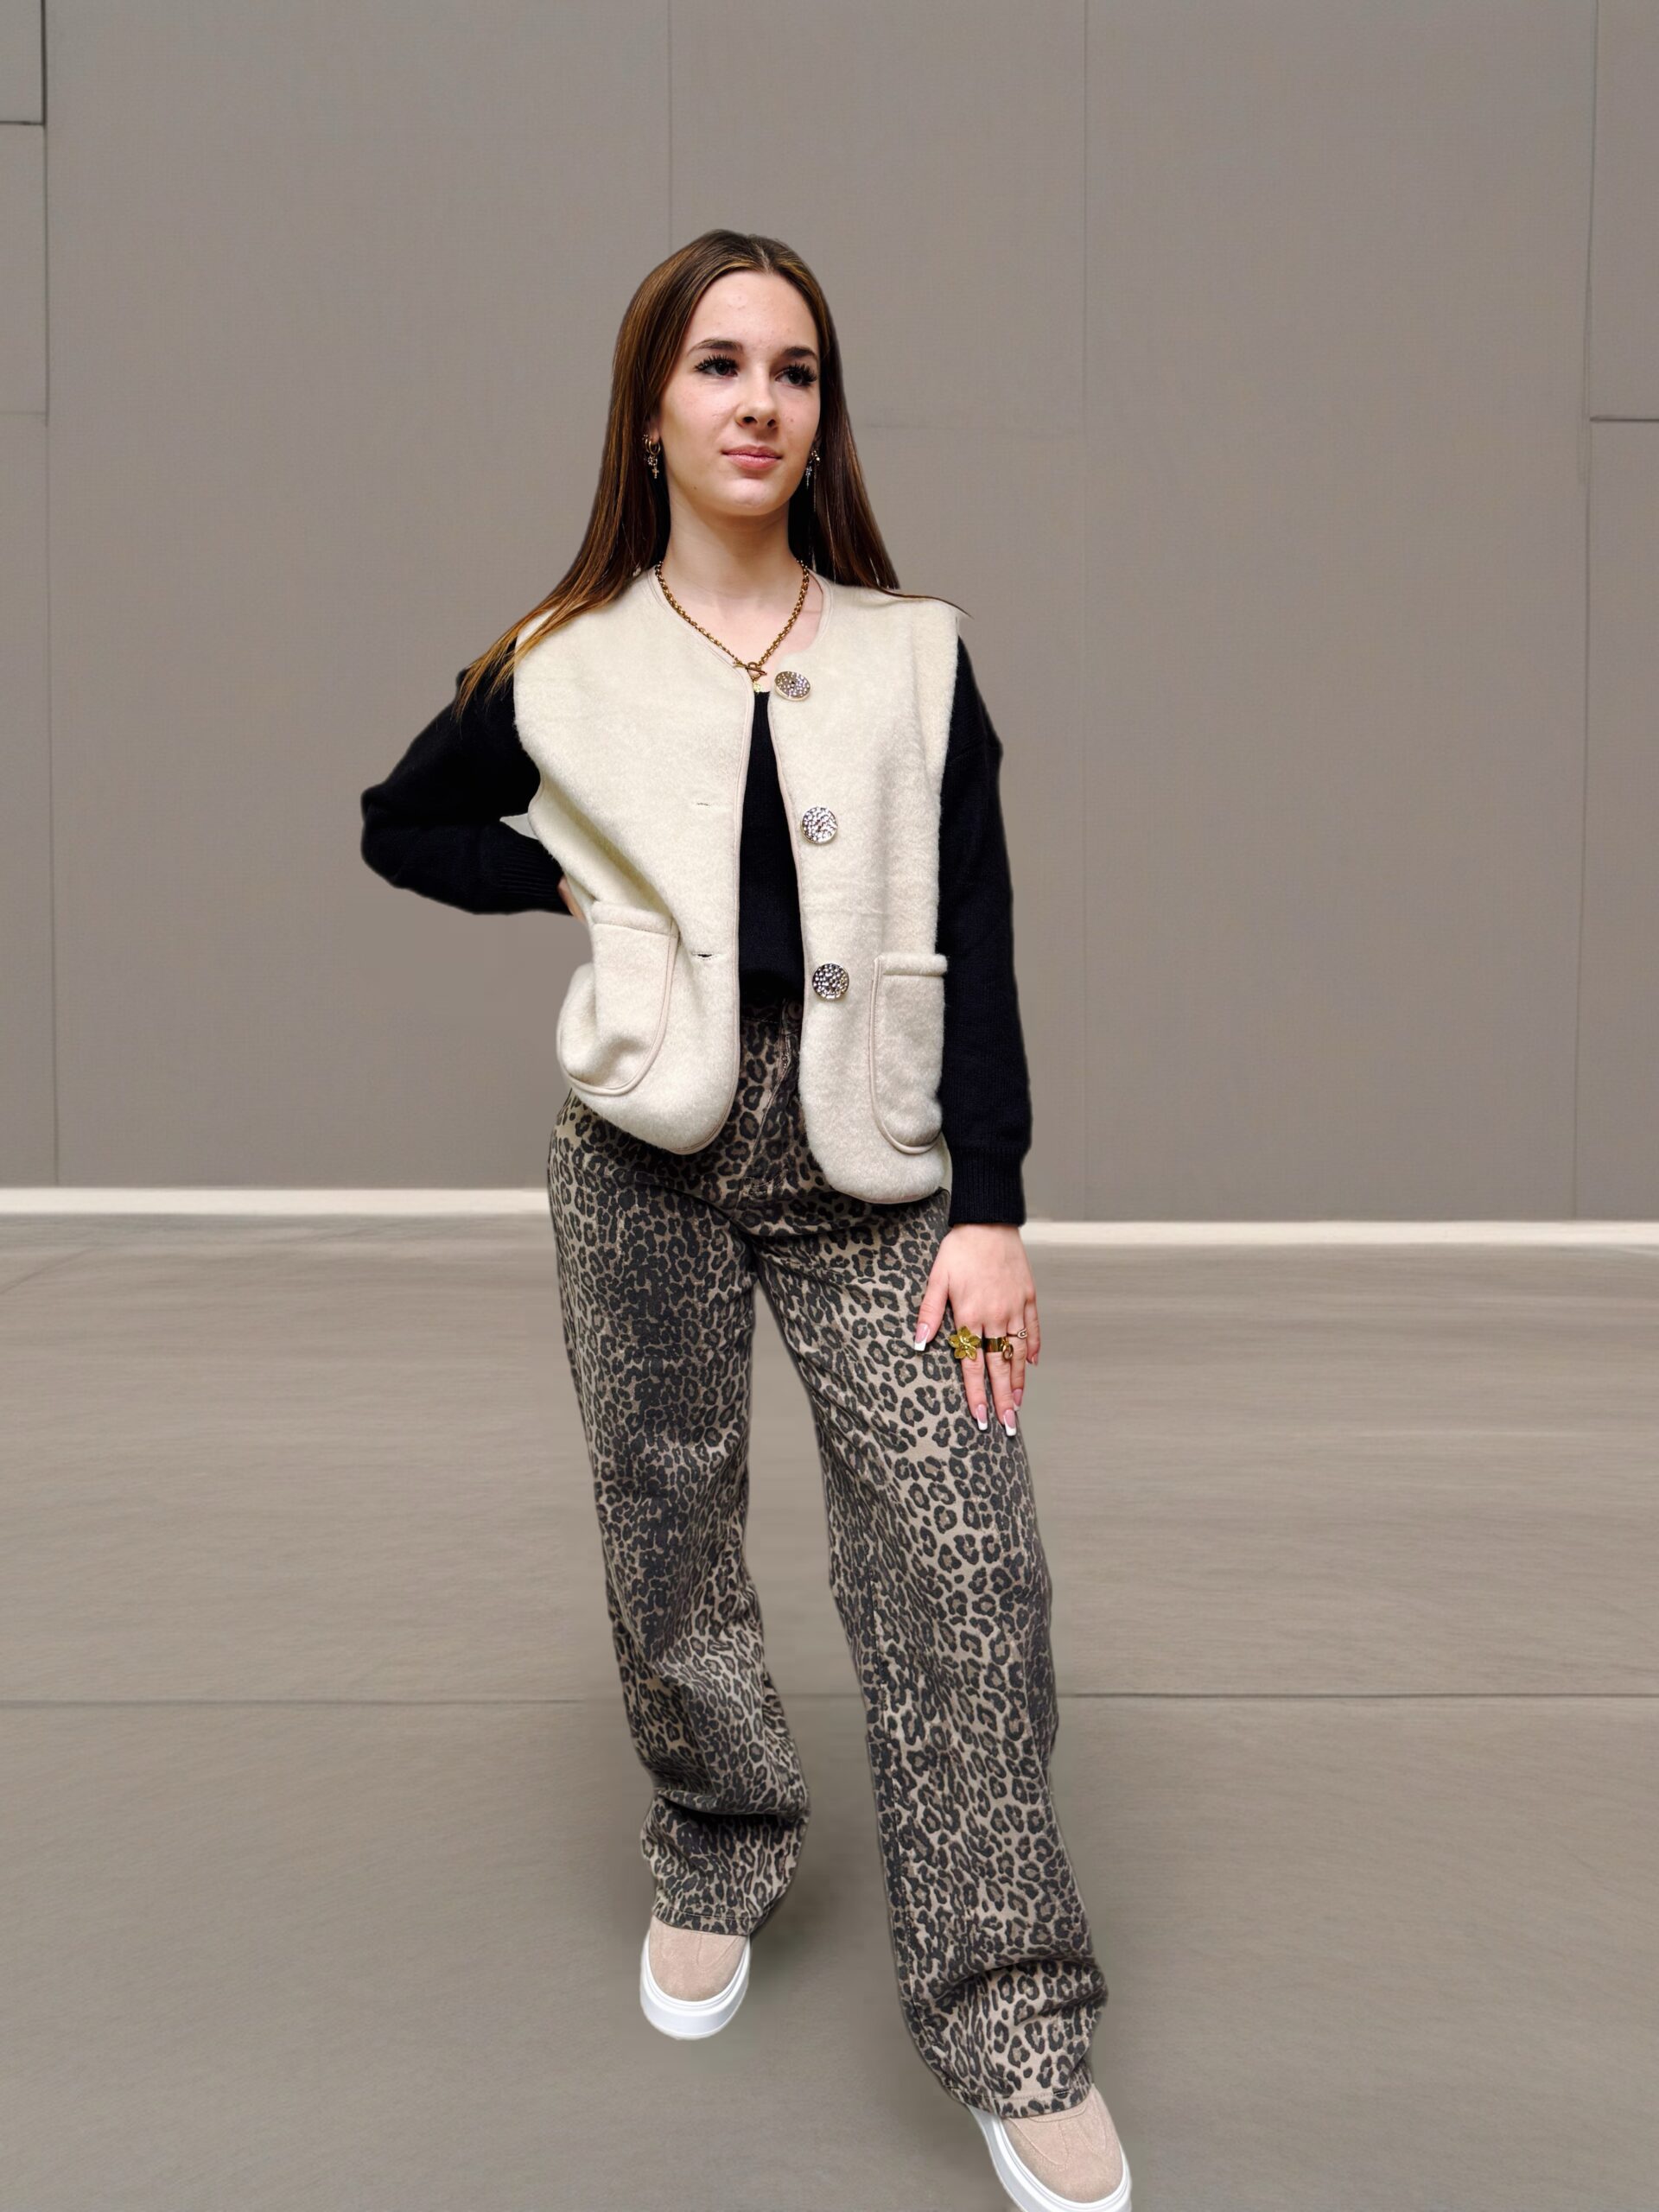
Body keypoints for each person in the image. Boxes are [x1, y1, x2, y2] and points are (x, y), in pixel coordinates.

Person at [359, 229, 1130, 2212]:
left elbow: (980, 927)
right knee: (669, 1517)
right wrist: (570, 884)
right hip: (645, 1155)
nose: (759, 402)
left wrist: (993, 1204)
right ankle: (718, 1837)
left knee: (968, 1561)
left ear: (821, 411)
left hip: (884, 1162)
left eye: (794, 369)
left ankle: (1014, 2013)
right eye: (718, 364)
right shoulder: (565, 658)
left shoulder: (916, 652)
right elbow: (399, 820)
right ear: (651, 408)